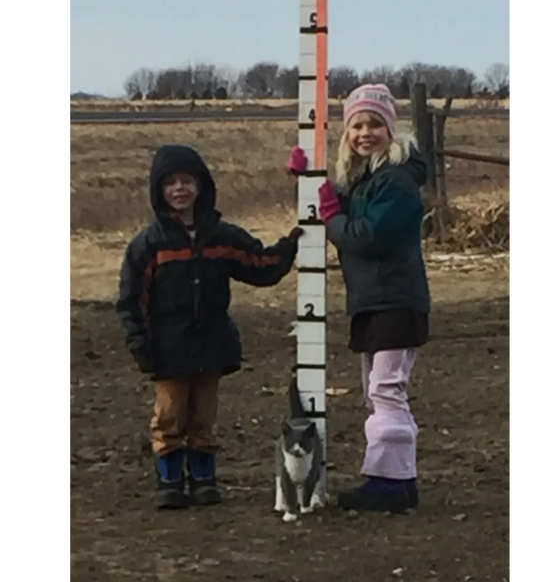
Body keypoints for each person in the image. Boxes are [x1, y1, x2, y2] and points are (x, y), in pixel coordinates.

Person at [117, 144, 303, 510]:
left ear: (201, 186)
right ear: (159, 191)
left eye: (187, 181)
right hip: (167, 349)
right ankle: (169, 480)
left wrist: (289, 247)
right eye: (171, 183)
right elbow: (130, 299)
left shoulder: (221, 235)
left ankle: (204, 478)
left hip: (212, 345)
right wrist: (139, 344)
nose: (180, 189)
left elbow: (259, 265)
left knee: (204, 416)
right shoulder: (147, 245)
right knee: (169, 415)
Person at [287, 84, 431, 514]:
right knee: (382, 392)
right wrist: (311, 180)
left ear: (391, 129)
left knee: (386, 391)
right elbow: (349, 207)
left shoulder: (398, 183)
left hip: (394, 301)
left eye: (374, 124)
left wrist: (329, 212)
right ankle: (400, 480)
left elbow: (363, 235)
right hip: (377, 302)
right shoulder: (373, 181)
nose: (365, 133)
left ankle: (387, 482)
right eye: (357, 125)